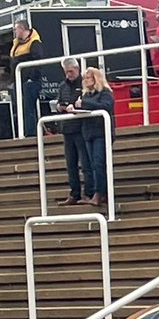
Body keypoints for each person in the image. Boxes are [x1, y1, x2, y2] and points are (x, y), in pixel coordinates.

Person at [69, 67, 115, 209]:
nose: (85, 80)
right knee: (91, 164)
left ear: (96, 78)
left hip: (101, 132)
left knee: (99, 163)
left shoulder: (105, 93)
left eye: (88, 77)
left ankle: (99, 194)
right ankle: (99, 193)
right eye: (84, 78)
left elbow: (106, 106)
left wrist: (84, 104)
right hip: (88, 132)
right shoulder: (86, 95)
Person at [53, 58, 91, 205]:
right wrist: (59, 106)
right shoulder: (63, 86)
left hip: (81, 128)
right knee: (71, 164)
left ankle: (88, 193)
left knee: (85, 163)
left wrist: (74, 106)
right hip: (66, 129)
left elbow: (84, 102)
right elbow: (60, 100)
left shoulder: (84, 84)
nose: (69, 74)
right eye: (66, 72)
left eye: (71, 71)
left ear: (77, 68)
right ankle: (74, 193)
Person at [10, 19, 44, 138]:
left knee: (28, 107)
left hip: (29, 81)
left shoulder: (35, 42)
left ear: (22, 29)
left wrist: (31, 78)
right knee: (19, 108)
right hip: (18, 81)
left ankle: (31, 134)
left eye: (16, 29)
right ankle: (22, 132)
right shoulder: (16, 43)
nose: (15, 32)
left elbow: (38, 60)